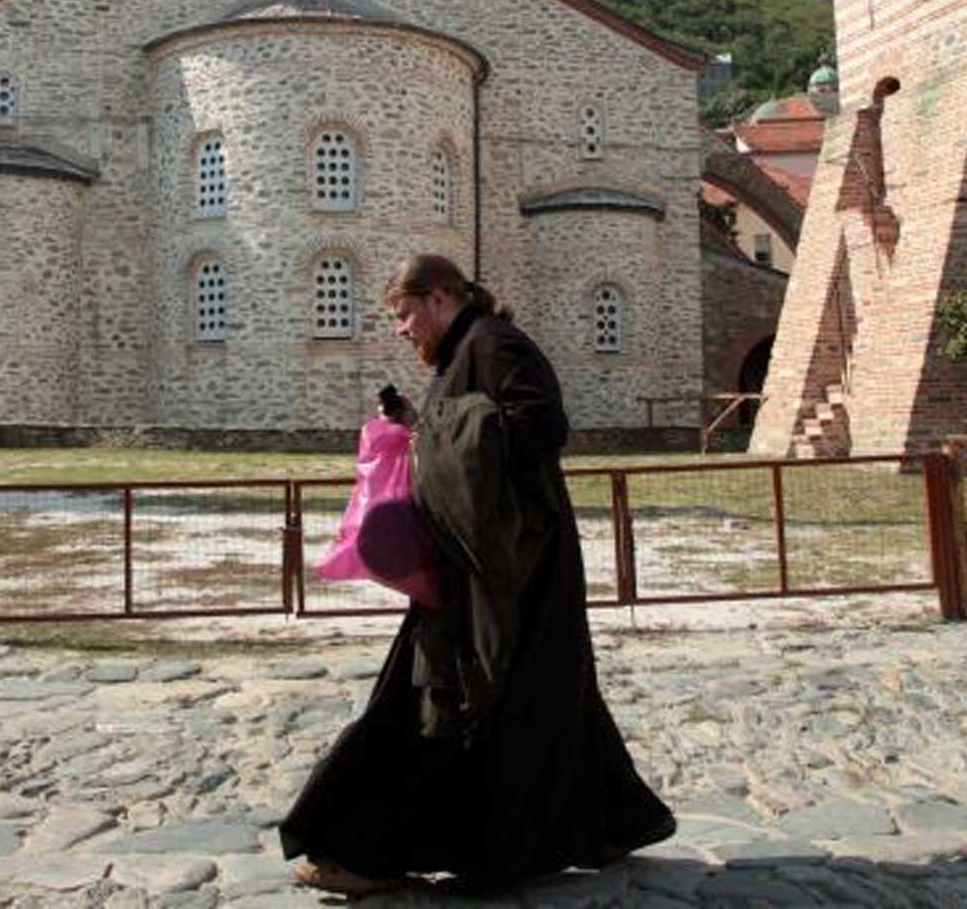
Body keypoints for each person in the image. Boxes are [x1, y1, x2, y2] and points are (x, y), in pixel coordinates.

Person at [280, 253, 675, 896]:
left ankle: (362, 850)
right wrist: (419, 425)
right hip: (483, 558)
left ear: (439, 298)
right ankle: (611, 823)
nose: (402, 330)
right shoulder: (465, 351)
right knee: (545, 693)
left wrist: (438, 430)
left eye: (406, 315)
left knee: (440, 696)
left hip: (512, 565)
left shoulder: (495, 344)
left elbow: (542, 426)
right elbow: (470, 430)